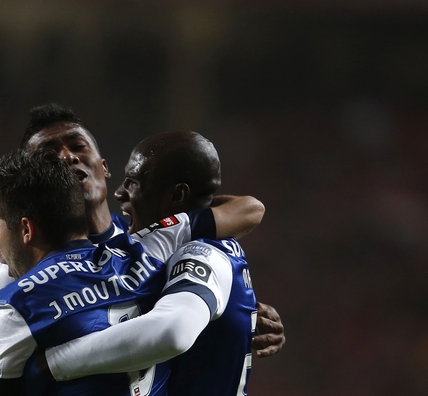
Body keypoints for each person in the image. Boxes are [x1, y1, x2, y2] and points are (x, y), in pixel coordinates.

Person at [0, 103, 283, 375]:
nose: (67, 157)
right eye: (48, 156)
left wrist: (237, 315)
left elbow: (247, 209)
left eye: (77, 145)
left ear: (104, 167)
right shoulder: (5, 277)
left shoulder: (155, 238)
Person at [39, 131, 275, 395]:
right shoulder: (165, 246)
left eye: (132, 182)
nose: (120, 193)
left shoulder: (200, 251)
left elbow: (173, 332)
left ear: (177, 196)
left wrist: (52, 363)